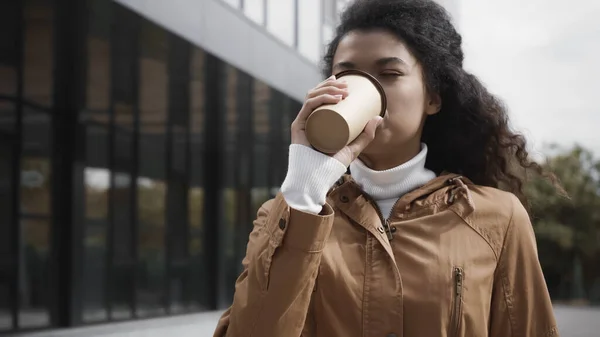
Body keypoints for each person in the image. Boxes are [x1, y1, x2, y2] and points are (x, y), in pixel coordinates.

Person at [214, 0, 561, 336]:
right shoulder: (288, 216)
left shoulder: (495, 218)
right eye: (346, 75)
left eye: (390, 73)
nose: (366, 90)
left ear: (433, 97)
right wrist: (303, 190)